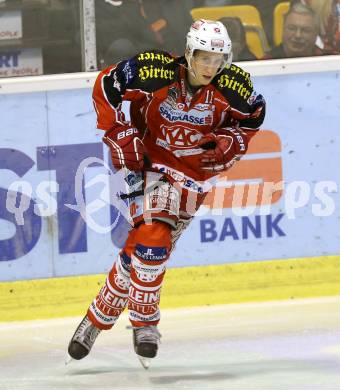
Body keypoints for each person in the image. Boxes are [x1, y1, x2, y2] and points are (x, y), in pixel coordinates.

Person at [67, 19, 266, 368]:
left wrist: (230, 143)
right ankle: (145, 323)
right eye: (204, 57)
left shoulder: (234, 85)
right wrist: (117, 129)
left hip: (192, 180)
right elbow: (106, 84)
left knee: (142, 253)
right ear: (189, 52)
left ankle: (95, 319)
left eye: (218, 59)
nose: (210, 66)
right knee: (154, 236)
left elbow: (253, 118)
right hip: (145, 165)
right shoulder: (154, 70)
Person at [264, 3, 329, 59]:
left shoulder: (329, 61)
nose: (298, 35)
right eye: (292, 28)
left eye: (305, 30)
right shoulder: (266, 63)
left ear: (316, 34)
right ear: (283, 30)